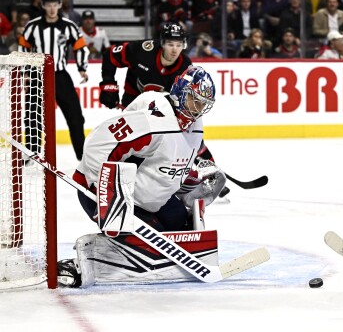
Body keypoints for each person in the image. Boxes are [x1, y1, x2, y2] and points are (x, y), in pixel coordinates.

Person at [58, 66, 225, 286]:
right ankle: (77, 264)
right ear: (181, 93)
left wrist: (192, 182)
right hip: (105, 194)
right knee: (150, 247)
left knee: (182, 231)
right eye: (196, 100)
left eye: (204, 103)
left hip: (150, 199)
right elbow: (97, 146)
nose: (199, 109)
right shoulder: (154, 122)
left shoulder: (194, 124)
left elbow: (169, 164)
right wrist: (107, 192)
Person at [18, 0, 89, 160]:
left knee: (76, 116)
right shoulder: (32, 26)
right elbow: (23, 48)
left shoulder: (68, 26)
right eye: (48, 5)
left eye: (54, 5)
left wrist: (82, 68)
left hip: (60, 75)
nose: (51, 9)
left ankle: (82, 155)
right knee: (32, 114)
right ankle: (32, 152)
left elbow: (80, 46)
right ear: (43, 5)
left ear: (59, 5)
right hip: (37, 75)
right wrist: (25, 72)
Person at [99, 22, 192, 109]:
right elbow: (110, 54)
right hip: (133, 100)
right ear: (162, 43)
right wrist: (108, 84)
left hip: (163, 106)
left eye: (179, 45)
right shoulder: (142, 51)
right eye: (170, 44)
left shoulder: (185, 66)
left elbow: (184, 98)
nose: (175, 50)